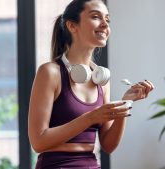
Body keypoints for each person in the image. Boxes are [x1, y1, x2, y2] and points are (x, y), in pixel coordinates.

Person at [28, 0, 155, 168]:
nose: (104, 24)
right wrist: (91, 118)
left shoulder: (101, 79)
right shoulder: (50, 72)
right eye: (96, 17)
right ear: (72, 26)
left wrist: (127, 103)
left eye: (107, 20)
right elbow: (38, 142)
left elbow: (108, 145)